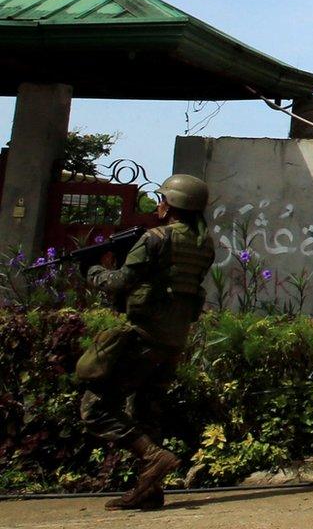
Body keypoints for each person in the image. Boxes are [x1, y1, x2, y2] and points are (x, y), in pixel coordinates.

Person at [74, 172, 215, 511]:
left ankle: (154, 457)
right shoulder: (202, 243)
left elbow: (120, 283)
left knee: (94, 408)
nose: (158, 204)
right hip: (173, 339)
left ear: (174, 204)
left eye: (163, 198)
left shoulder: (154, 239)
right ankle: (149, 491)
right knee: (144, 413)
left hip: (144, 336)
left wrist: (92, 270)